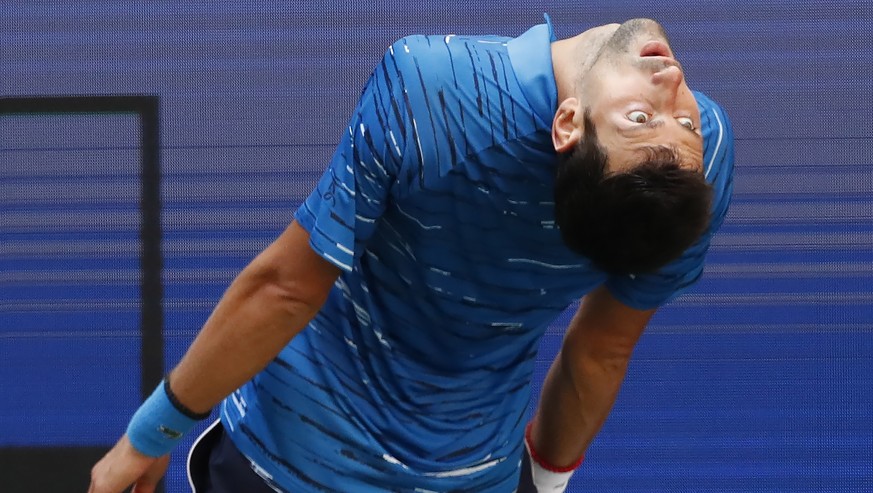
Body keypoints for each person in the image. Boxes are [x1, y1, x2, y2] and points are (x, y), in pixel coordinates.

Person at [88, 13, 734, 493]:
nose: (671, 87)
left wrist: (147, 437)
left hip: (286, 463)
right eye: (672, 122)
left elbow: (287, 287)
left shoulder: (432, 86)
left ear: (569, 122)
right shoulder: (708, 159)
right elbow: (602, 348)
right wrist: (542, 482)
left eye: (645, 120)